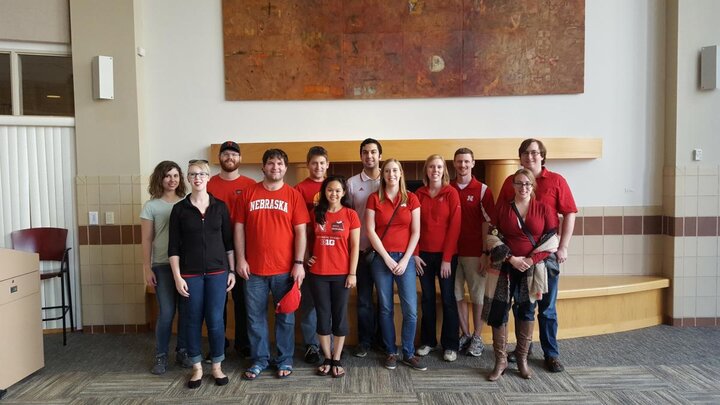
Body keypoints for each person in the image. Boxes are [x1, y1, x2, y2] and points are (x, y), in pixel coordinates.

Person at [498, 138, 577, 373]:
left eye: (534, 152)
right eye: (525, 153)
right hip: (518, 260)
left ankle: (551, 354)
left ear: (542, 155)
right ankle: (524, 349)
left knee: (547, 307)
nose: (530, 156)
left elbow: (569, 213)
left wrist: (563, 247)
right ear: (520, 157)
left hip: (546, 256)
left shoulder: (556, 181)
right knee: (522, 306)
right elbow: (502, 216)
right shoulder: (509, 182)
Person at [234, 148, 310, 380]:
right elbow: (238, 228)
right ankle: (260, 359)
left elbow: (301, 232)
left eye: (279, 163)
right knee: (254, 317)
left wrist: (299, 263)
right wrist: (240, 259)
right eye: (270, 163)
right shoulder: (248, 193)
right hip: (254, 269)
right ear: (263, 167)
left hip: (285, 270)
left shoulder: (293, 195)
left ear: (285, 168)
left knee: (285, 318)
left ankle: (284, 360)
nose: (275, 167)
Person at [485, 168, 558, 381]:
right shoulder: (503, 209)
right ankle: (500, 361)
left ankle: (522, 359)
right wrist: (511, 259)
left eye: (527, 183)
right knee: (499, 312)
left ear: (533, 185)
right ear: (513, 185)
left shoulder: (544, 209)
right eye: (519, 183)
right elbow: (491, 236)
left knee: (527, 311)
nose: (523, 187)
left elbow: (552, 240)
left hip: (531, 270)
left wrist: (529, 260)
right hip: (505, 267)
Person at [168, 159, 236, 389]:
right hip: (190, 275)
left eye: (202, 174)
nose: (197, 178)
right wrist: (177, 277)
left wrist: (232, 271)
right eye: (193, 174)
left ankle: (217, 365)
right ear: (188, 178)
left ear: (209, 178)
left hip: (218, 273)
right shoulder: (179, 210)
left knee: (216, 321)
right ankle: (197, 367)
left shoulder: (220, 207)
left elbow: (228, 243)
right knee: (192, 320)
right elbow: (173, 248)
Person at [366, 158, 425, 371]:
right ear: (383, 175)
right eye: (388, 171)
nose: (391, 174)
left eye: (395, 170)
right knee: (385, 308)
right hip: (382, 260)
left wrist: (406, 258)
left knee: (410, 310)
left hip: (405, 260)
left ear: (401, 173)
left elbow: (416, 231)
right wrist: (388, 259)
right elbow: (370, 230)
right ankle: (391, 351)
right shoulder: (374, 198)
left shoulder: (412, 198)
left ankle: (408, 352)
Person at [306, 175, 360, 378]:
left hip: (341, 274)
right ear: (324, 192)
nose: (334, 194)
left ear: (344, 192)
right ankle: (326, 357)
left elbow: (355, 247)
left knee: (339, 316)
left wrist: (352, 273)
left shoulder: (351, 215)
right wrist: (306, 257)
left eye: (338, 190)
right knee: (322, 315)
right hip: (318, 273)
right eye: (330, 190)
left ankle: (337, 357)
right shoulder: (316, 212)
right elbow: (305, 237)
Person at [206, 140, 256, 359]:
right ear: (220, 158)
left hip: (243, 249)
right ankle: (219, 343)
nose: (229, 157)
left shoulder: (251, 185)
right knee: (217, 300)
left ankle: (243, 343)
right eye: (225, 154)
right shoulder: (208, 184)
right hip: (215, 249)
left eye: (233, 154)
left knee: (243, 298)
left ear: (240, 159)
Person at [141, 161, 190, 375]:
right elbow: (147, 239)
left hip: (187, 266)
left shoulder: (187, 202)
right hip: (161, 264)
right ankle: (161, 356)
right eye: (168, 176)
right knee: (167, 312)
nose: (172, 180)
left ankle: (183, 351)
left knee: (187, 312)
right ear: (160, 179)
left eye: (176, 176)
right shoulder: (151, 206)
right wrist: (146, 267)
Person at [414, 154, 462, 362]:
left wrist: (447, 258)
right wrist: (415, 254)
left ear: (444, 171)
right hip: (423, 255)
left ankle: (450, 345)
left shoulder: (451, 193)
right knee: (427, 298)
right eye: (431, 167)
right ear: (426, 170)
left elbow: (455, 227)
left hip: (445, 256)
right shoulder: (419, 194)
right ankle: (428, 341)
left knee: (448, 299)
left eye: (439, 167)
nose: (435, 170)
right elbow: (412, 227)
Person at [450, 148, 496, 357]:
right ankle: (466, 334)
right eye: (459, 161)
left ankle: (477, 336)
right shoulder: (447, 188)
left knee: (477, 297)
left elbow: (489, 222)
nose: (463, 165)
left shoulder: (482, 190)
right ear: (454, 163)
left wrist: (485, 252)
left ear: (473, 163)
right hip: (450, 253)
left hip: (474, 252)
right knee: (456, 294)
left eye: (466, 162)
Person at [346, 138, 383, 357]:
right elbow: (348, 217)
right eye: (365, 152)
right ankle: (365, 341)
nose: (369, 156)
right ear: (361, 156)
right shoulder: (351, 183)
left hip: (384, 253)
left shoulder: (390, 179)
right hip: (360, 251)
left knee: (385, 299)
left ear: (380, 155)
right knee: (364, 300)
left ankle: (383, 340)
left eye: (373, 152)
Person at [294, 146, 330, 364]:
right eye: (314, 163)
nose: (318, 167)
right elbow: (299, 227)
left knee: (329, 304)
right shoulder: (299, 189)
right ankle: (311, 346)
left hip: (332, 257)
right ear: (308, 165)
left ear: (328, 165)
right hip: (310, 256)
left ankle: (330, 346)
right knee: (309, 305)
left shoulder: (334, 186)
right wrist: (305, 255)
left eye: (322, 163)